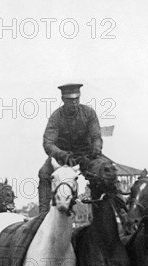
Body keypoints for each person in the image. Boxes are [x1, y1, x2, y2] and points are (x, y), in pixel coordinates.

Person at [38, 83, 103, 214]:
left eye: (76, 99)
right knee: (44, 173)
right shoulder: (56, 117)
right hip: (64, 156)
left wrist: (96, 148)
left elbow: (96, 136)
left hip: (86, 154)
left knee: (106, 172)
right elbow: (48, 143)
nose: (74, 103)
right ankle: (43, 215)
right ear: (63, 99)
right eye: (70, 100)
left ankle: (120, 212)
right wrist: (61, 154)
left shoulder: (89, 113)